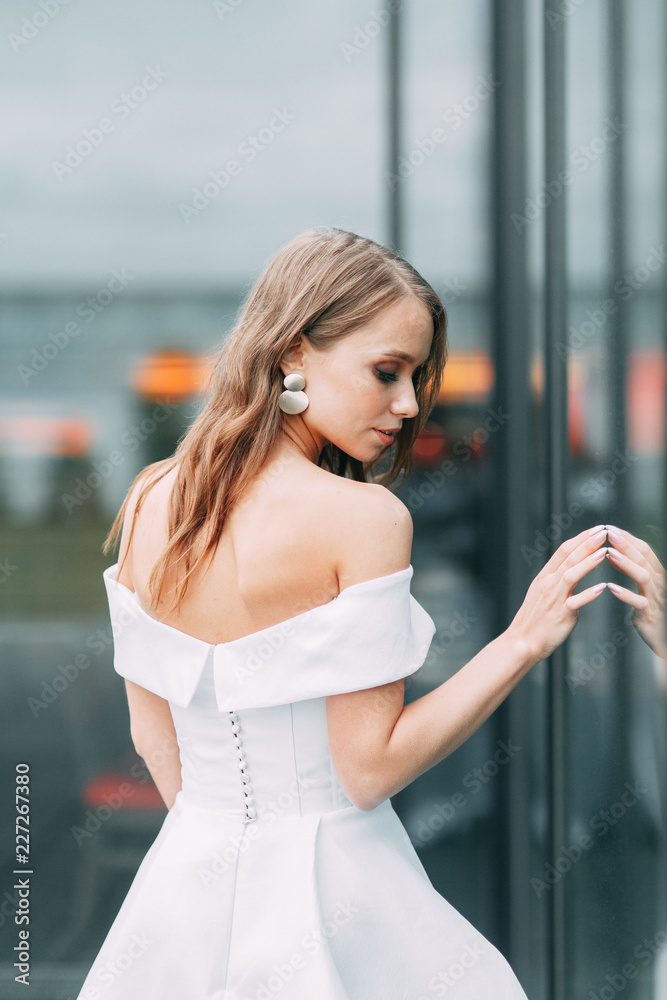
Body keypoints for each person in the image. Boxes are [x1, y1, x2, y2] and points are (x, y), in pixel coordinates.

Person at [76, 227, 647, 999]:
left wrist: (228, 855)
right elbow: (369, 769)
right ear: (293, 351)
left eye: (414, 377)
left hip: (183, 885)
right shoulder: (364, 518)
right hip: (335, 885)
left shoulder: (151, 498)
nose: (407, 405)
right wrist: (521, 641)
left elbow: (154, 735)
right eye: (386, 371)